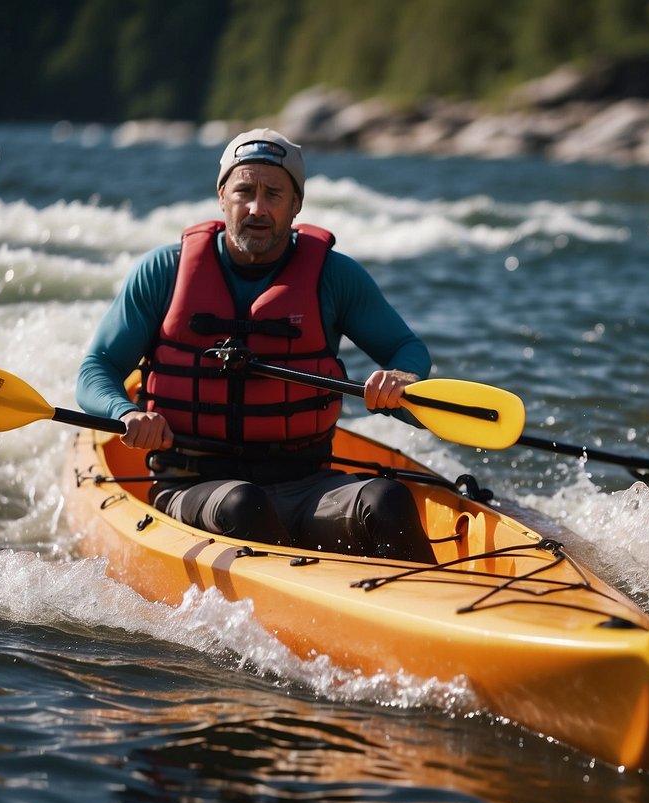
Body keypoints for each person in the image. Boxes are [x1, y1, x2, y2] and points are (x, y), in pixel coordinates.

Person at [77, 127, 436, 563]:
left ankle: (434, 614)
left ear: (296, 204)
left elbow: (406, 347)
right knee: (244, 505)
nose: (257, 208)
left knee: (387, 501)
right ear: (222, 194)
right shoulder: (162, 272)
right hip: (192, 487)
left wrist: (402, 379)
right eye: (244, 191)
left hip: (307, 486)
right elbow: (96, 368)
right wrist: (127, 412)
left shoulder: (335, 277)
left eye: (274, 194)